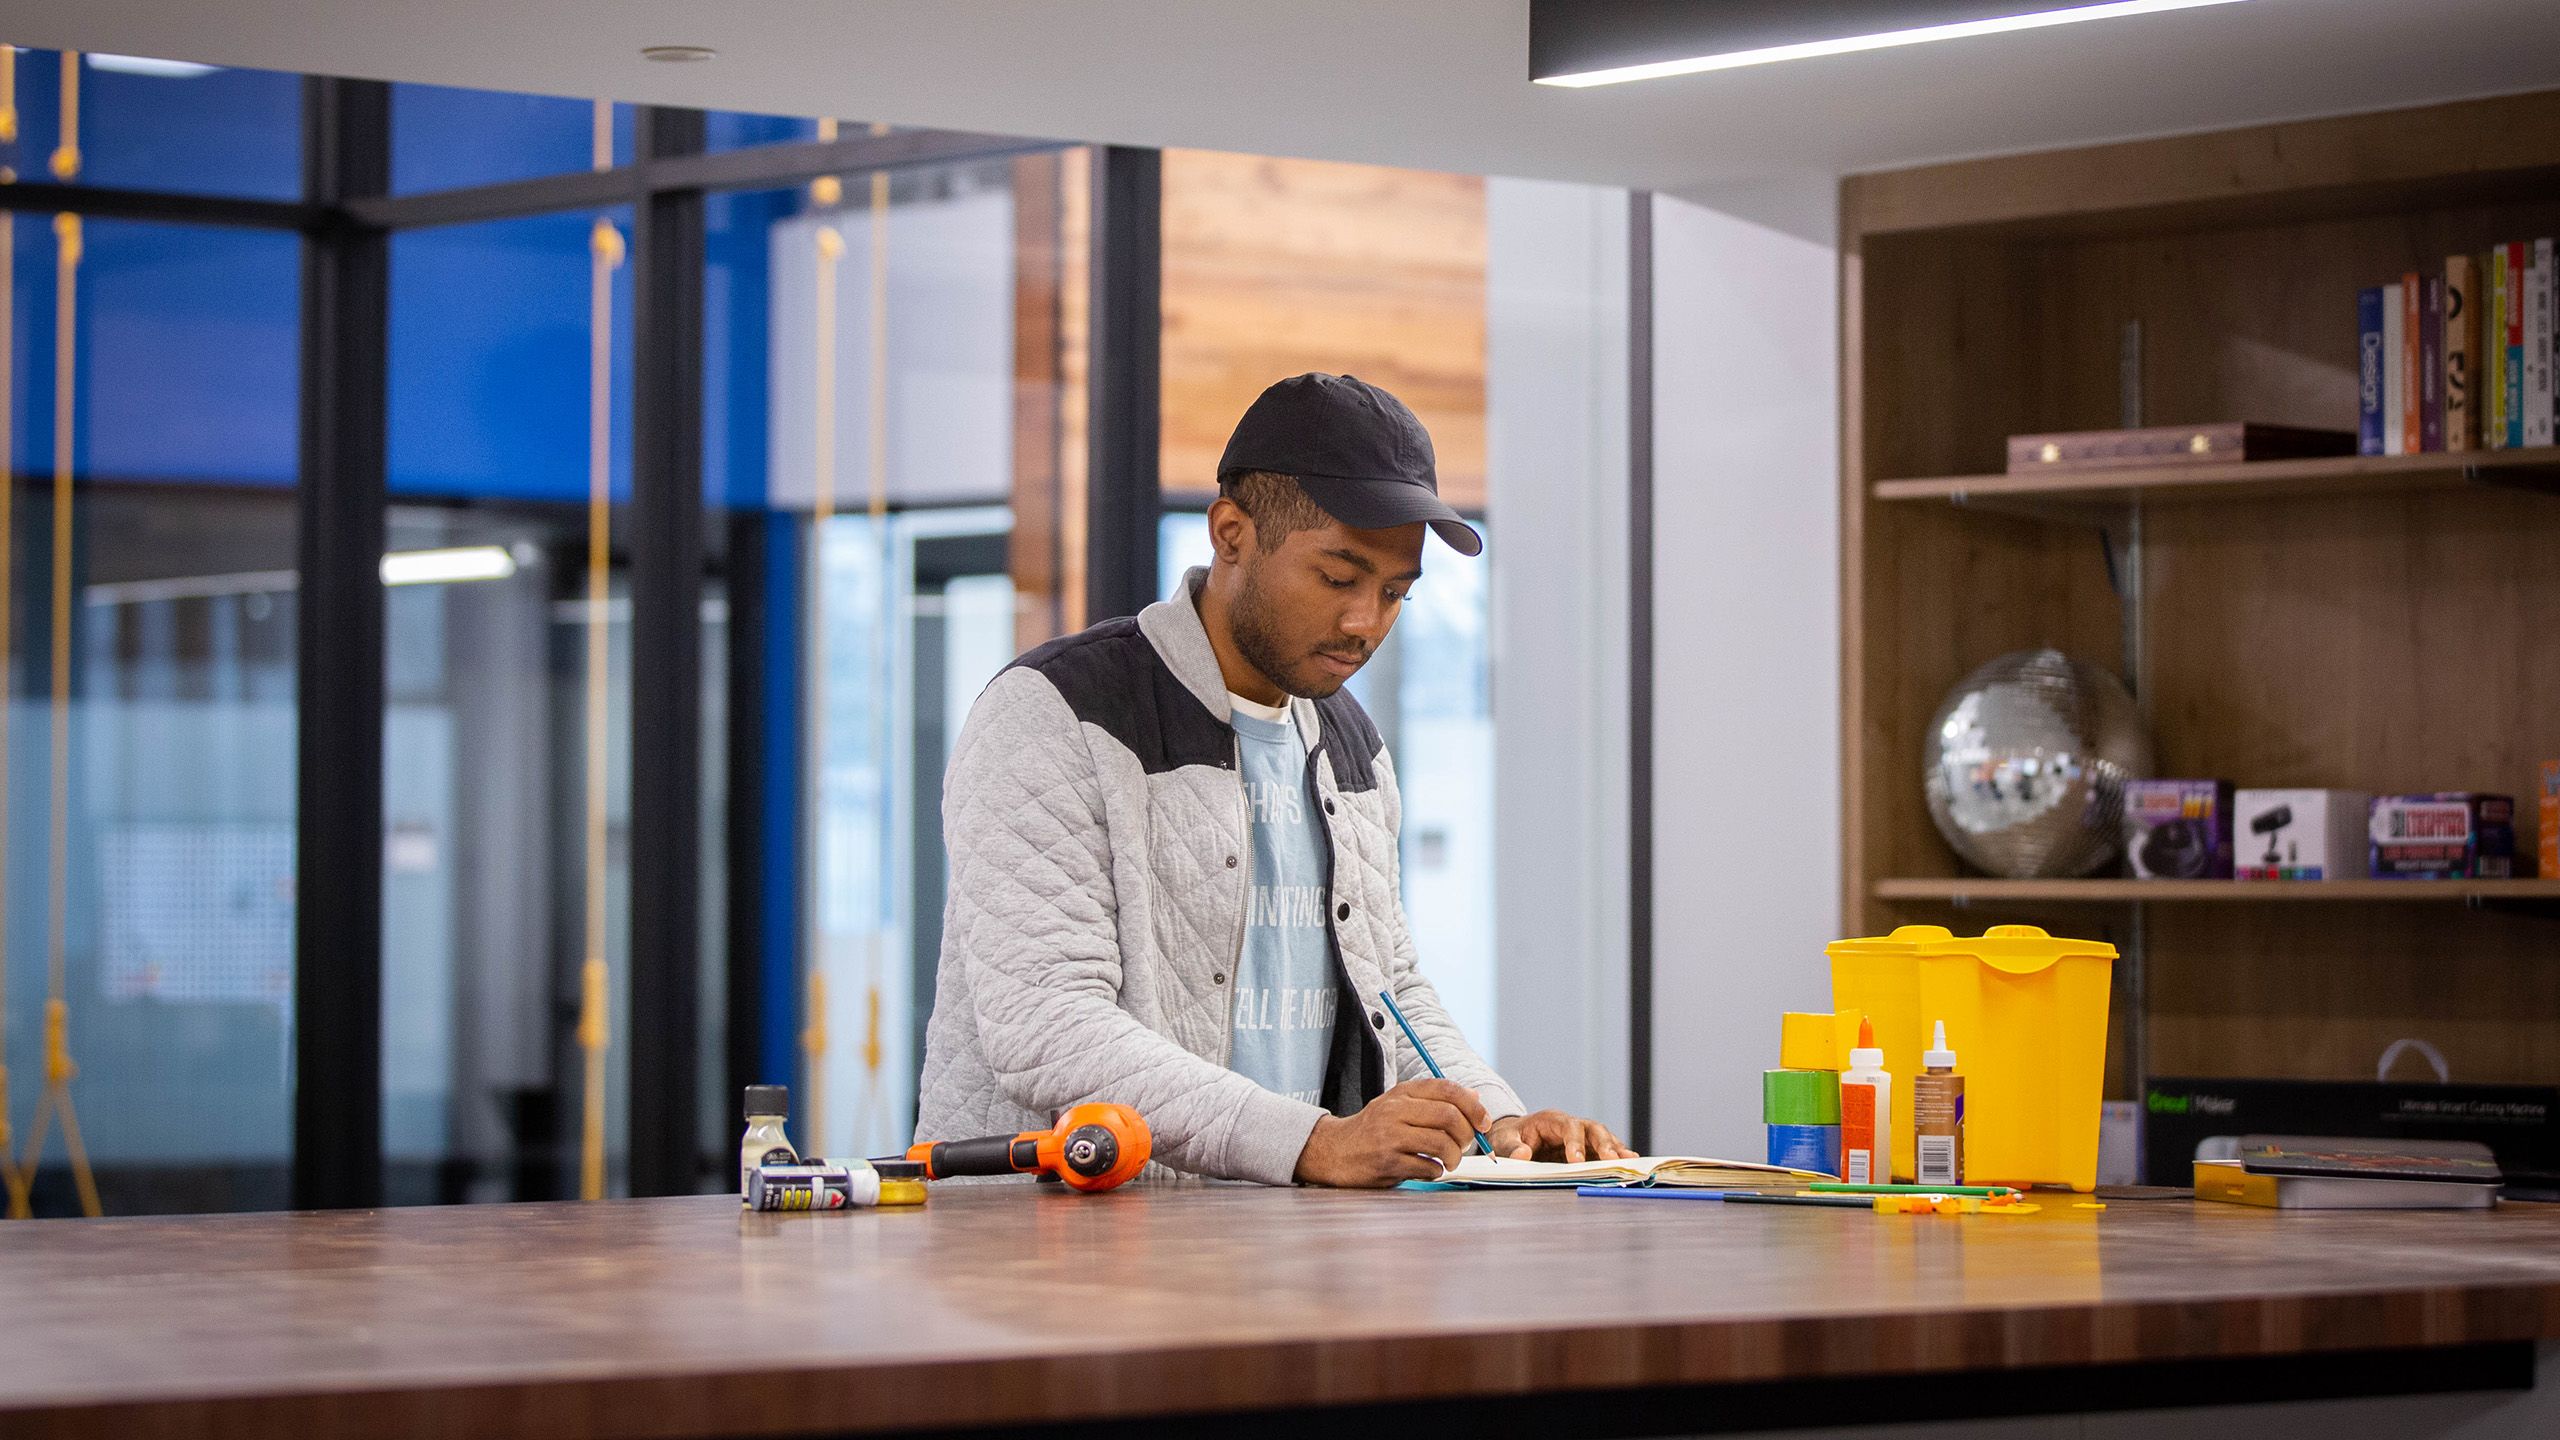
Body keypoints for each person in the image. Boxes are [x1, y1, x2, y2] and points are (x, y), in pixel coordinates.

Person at [918, 373, 1629, 1186]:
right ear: (1231, 534)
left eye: (1395, 593)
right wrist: (1315, 1142)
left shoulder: (1350, 739)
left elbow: (1389, 989)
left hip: (1265, 1245)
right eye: (1338, 578)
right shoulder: (1058, 713)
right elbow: (1045, 1022)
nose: (1366, 623)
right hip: (1051, 1259)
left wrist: (1499, 1119)